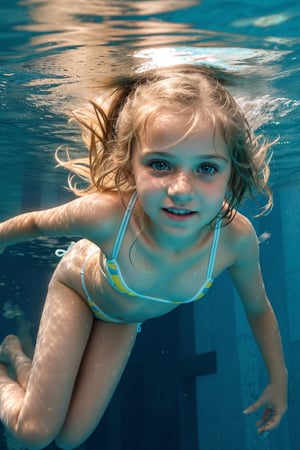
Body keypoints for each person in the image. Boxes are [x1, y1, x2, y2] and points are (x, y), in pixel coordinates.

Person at [0, 64, 287, 449]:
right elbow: (33, 224)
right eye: (160, 164)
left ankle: (15, 353)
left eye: (206, 168)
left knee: (69, 439)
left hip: (122, 318)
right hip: (79, 292)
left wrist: (278, 380)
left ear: (232, 171)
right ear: (130, 162)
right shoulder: (107, 214)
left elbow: (260, 310)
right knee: (35, 434)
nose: (181, 189)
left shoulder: (235, 240)